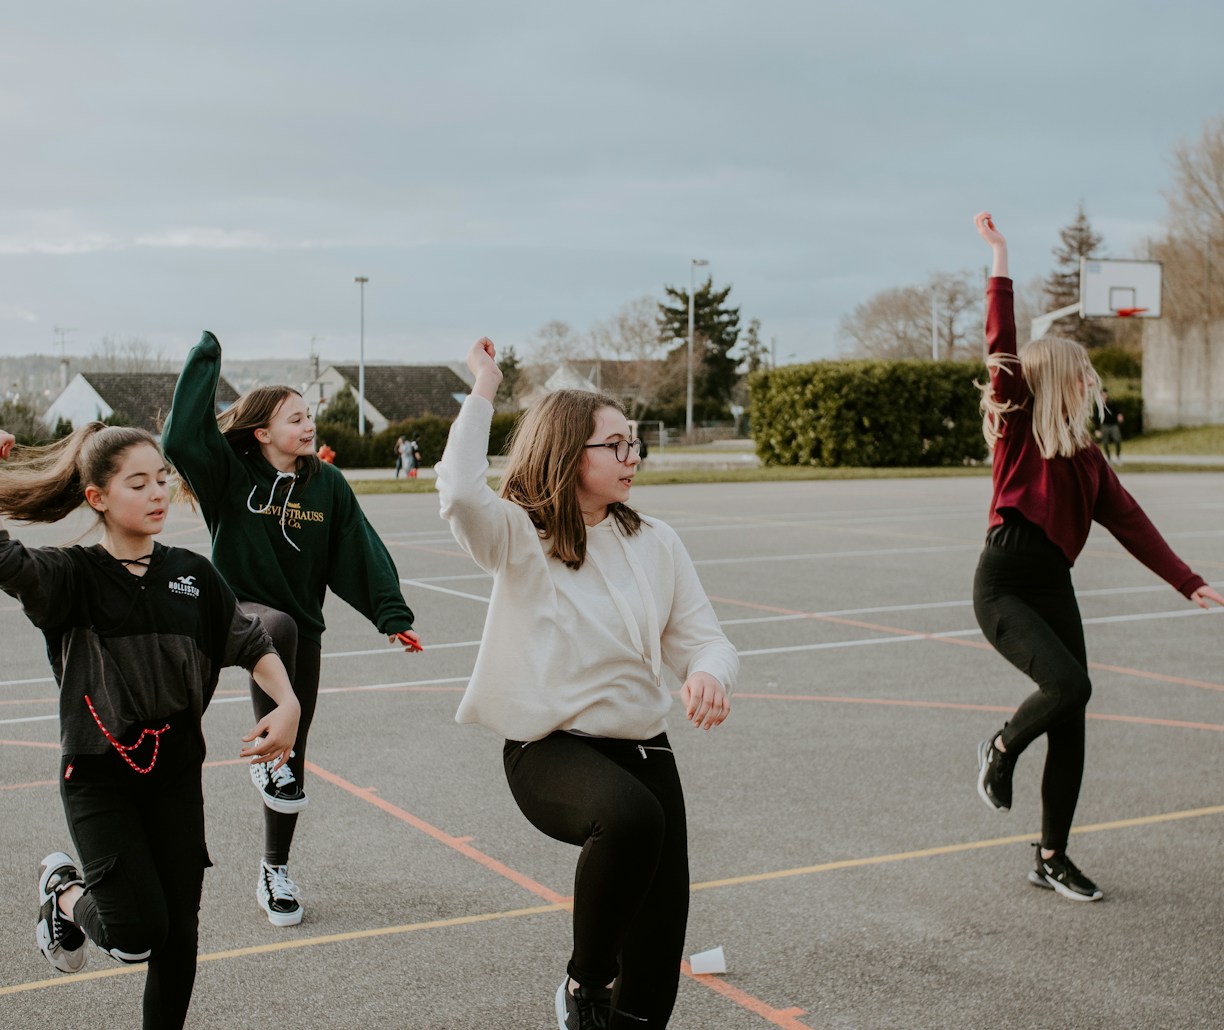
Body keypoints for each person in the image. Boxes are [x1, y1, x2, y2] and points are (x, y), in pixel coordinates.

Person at [436, 339, 737, 1030]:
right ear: (572, 453)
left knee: (658, 957)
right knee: (630, 818)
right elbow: (457, 490)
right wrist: (484, 385)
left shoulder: (654, 540)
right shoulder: (518, 536)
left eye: (636, 446)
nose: (633, 458)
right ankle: (584, 985)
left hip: (643, 748)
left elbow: (705, 640)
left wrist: (707, 674)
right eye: (617, 446)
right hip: (549, 750)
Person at [0, 424, 300, 1029]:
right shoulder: (69, 579)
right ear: (97, 497)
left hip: (175, 772)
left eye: (162, 479)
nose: (158, 493)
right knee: (136, 934)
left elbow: (250, 642)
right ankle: (62, 890)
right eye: (138, 483)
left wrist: (287, 705)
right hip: (98, 776)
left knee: (177, 940)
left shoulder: (192, 574)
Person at [971, 212, 1223, 902]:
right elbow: (1001, 342)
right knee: (1070, 687)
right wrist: (1001, 257)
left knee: (1074, 720)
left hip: (1054, 585)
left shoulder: (1087, 462)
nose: (1092, 383)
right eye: (1081, 374)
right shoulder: (1017, 428)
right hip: (1005, 585)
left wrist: (1189, 581)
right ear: (1054, 379)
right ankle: (1000, 748)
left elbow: (1134, 524)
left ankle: (1051, 856)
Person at [162, 332, 422, 928]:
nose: (309, 426)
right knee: (270, 625)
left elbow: (359, 547)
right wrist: (206, 358)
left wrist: (393, 615)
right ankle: (255, 763)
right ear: (262, 432)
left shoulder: (326, 485)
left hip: (300, 629)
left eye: (310, 416)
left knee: (293, 746)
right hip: (232, 612)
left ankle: (274, 868)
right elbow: (180, 437)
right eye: (296, 418)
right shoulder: (229, 473)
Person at [1096, 389, 1124, 464]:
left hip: (1113, 424)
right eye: (1103, 395)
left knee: (1117, 439)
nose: (1105, 396)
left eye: (1105, 394)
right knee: (1105, 443)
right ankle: (1109, 458)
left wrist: (1119, 415)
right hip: (1104, 425)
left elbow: (1118, 411)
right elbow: (1096, 418)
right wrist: (1097, 429)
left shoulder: (1111, 403)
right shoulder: (1098, 405)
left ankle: (1118, 456)